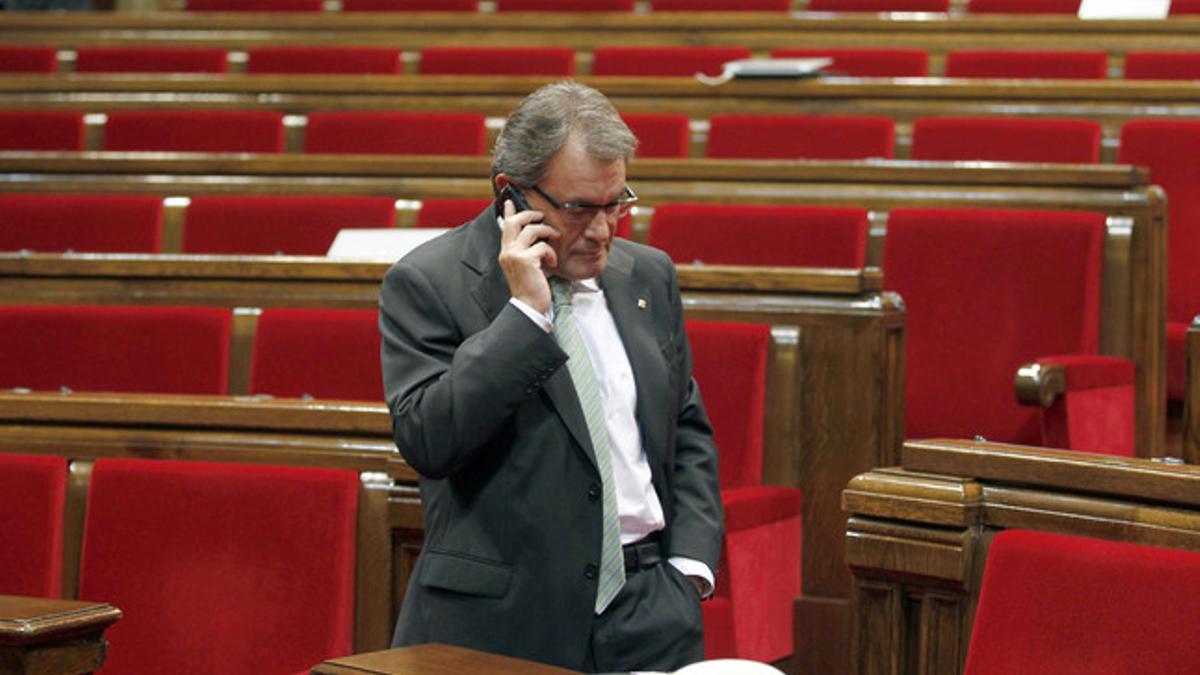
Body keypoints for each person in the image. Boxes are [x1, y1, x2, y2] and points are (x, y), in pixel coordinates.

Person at [379, 81, 723, 673]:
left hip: (649, 612)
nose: (603, 231)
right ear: (510, 195)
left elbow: (684, 429)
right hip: (503, 625)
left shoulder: (649, 278)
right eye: (580, 208)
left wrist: (689, 566)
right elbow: (430, 441)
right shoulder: (430, 282)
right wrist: (525, 316)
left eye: (617, 202)